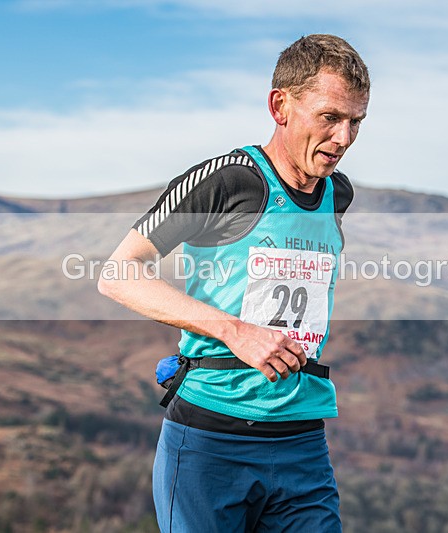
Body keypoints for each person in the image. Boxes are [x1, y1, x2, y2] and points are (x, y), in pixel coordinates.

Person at [98, 34, 370, 532]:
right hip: (209, 442)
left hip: (302, 442)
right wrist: (235, 332)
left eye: (356, 122)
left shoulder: (338, 193)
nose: (344, 138)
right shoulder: (229, 181)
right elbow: (118, 273)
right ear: (280, 105)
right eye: (330, 117)